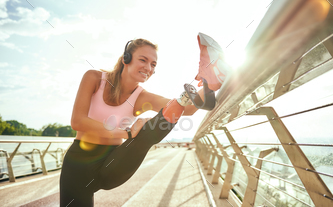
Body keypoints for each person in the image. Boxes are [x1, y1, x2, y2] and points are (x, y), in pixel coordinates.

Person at [59, 34, 230, 206]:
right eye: (143, 60)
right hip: (78, 163)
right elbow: (78, 122)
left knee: (146, 132)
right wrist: (127, 132)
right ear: (126, 59)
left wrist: (208, 85)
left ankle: (213, 77)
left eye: (153, 64)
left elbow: (190, 109)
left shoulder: (142, 97)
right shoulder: (95, 78)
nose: (148, 67)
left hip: (113, 161)